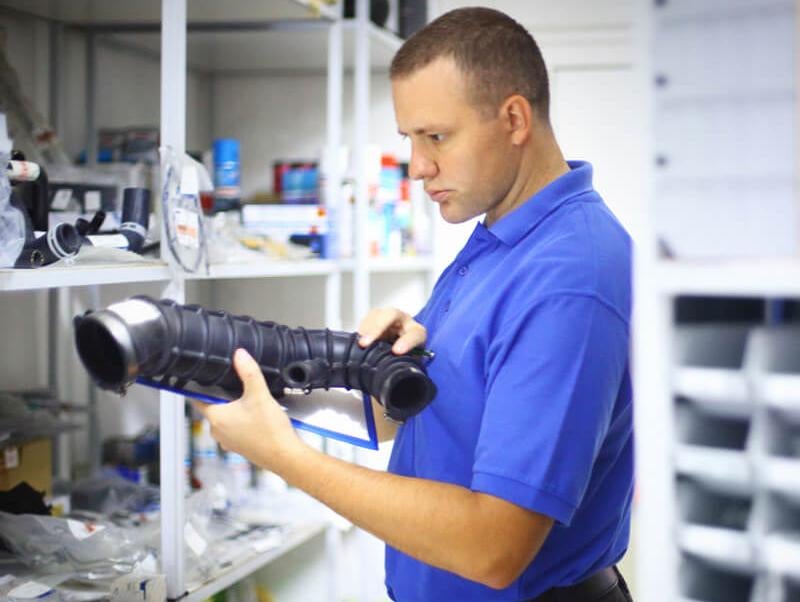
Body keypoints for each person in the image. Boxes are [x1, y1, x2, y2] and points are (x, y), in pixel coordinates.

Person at [196, 7, 634, 602]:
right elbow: (409, 416)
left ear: (513, 119)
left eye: (436, 136)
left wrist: (283, 456)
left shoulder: (569, 274)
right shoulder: (500, 238)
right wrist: (361, 378)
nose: (418, 166)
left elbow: (494, 546)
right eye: (410, 139)